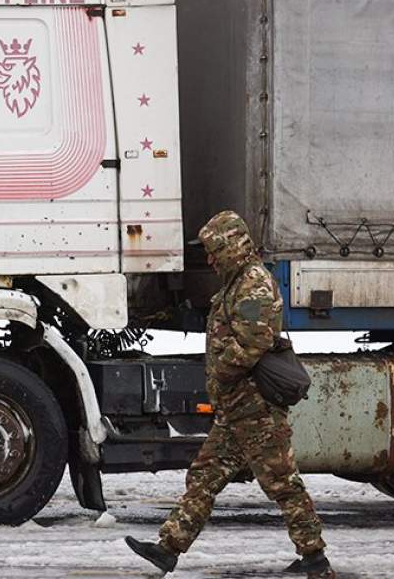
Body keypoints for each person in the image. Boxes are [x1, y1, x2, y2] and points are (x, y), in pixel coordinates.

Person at [125, 211, 335, 578]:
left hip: (257, 409)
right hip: (237, 409)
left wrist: (221, 371)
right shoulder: (236, 284)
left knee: (282, 483)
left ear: (231, 247)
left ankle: (315, 557)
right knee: (205, 476)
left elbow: (255, 341)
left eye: (213, 250)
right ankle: (167, 549)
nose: (209, 259)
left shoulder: (253, 284)